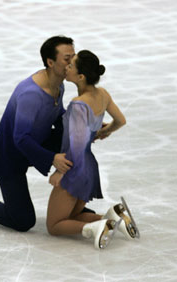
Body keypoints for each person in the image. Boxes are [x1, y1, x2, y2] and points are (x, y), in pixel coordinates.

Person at [0, 36, 96, 232]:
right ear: (50, 61)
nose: (72, 62)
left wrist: (84, 124)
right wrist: (52, 157)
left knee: (76, 142)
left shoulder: (58, 84)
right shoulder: (31, 94)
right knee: (23, 221)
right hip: (10, 158)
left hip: (35, 144)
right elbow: (20, 138)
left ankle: (69, 204)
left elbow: (57, 116)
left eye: (73, 57)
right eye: (67, 58)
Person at [46, 50, 131, 249]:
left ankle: (95, 228)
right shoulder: (102, 94)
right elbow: (120, 120)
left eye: (71, 66)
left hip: (75, 165)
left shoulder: (78, 105)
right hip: (89, 166)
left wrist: (60, 171)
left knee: (54, 225)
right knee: (73, 215)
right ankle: (112, 218)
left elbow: (76, 145)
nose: (66, 67)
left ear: (81, 77)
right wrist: (102, 132)